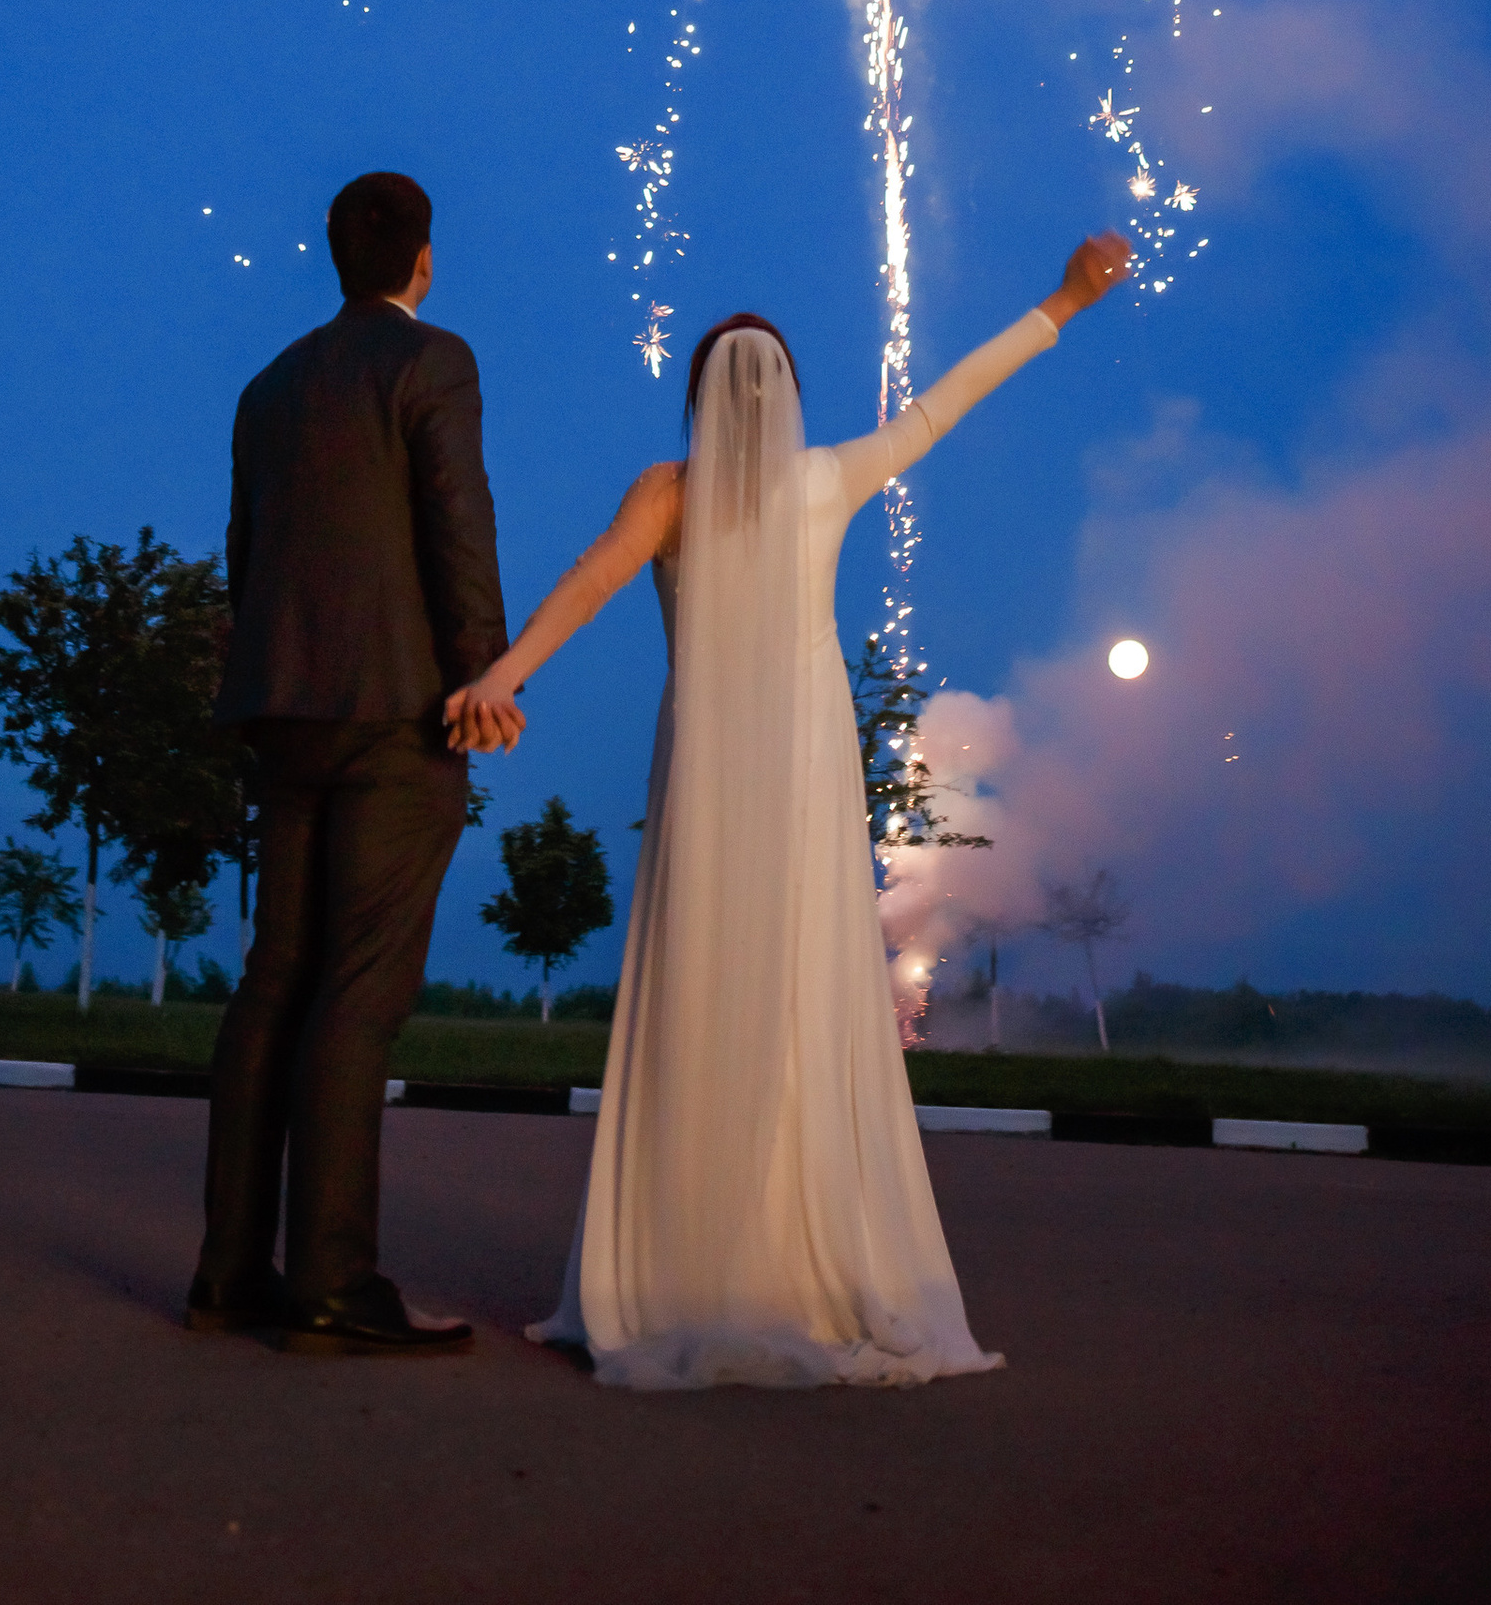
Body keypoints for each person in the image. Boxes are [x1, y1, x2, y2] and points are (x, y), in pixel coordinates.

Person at [447, 232, 1132, 1389]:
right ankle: (788, 1260)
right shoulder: (830, 477)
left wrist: (506, 674)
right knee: (797, 993)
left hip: (710, 766)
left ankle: (661, 1274)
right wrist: (1062, 299)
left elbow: (589, 584)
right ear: (789, 396)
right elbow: (948, 400)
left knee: (699, 979)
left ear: (696, 399)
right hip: (803, 777)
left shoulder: (667, 494)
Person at [188, 168, 515, 1356]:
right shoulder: (433, 363)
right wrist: (484, 673)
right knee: (359, 991)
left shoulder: (268, 387)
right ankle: (333, 1280)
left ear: (334, 257)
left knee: (275, 974)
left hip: (284, 711)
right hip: (394, 716)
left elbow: (247, 551)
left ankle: (229, 1272)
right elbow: (455, 521)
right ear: (422, 260)